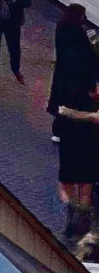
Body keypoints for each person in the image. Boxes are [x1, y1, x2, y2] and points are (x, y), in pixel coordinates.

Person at [57, 80, 99, 254]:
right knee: (85, 184)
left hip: (72, 141)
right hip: (89, 142)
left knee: (69, 181)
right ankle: (81, 220)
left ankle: (72, 212)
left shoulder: (69, 90)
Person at [54, 5, 99, 119]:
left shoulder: (61, 28)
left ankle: (59, 129)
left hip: (63, 75)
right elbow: (85, 61)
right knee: (76, 106)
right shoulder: (78, 36)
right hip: (78, 81)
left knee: (63, 103)